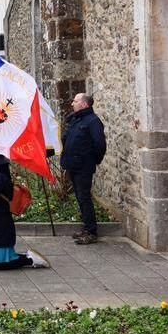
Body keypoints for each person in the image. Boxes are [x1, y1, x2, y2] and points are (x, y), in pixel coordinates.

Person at [61, 93, 107, 245]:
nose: (72, 103)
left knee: (84, 198)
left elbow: (100, 145)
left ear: (85, 104)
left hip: (83, 167)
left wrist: (92, 160)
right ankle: (86, 228)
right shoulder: (76, 119)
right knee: (81, 198)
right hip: (73, 166)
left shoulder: (93, 121)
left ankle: (91, 232)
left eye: (75, 101)